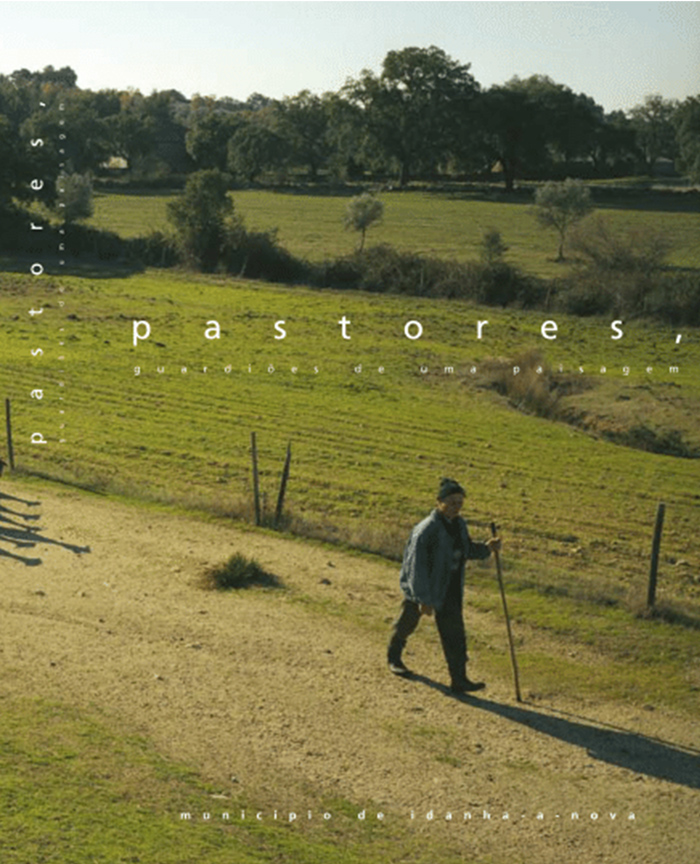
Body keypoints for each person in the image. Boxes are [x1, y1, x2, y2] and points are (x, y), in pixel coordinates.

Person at [387, 477, 500, 694]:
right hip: (422, 588)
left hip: (450, 588)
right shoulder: (426, 529)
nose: (456, 507)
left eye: (460, 503)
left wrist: (487, 549)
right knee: (406, 623)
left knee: (455, 633)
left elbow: (465, 550)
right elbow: (415, 566)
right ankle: (394, 658)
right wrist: (423, 600)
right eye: (452, 502)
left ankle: (459, 679)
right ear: (439, 502)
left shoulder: (459, 524)